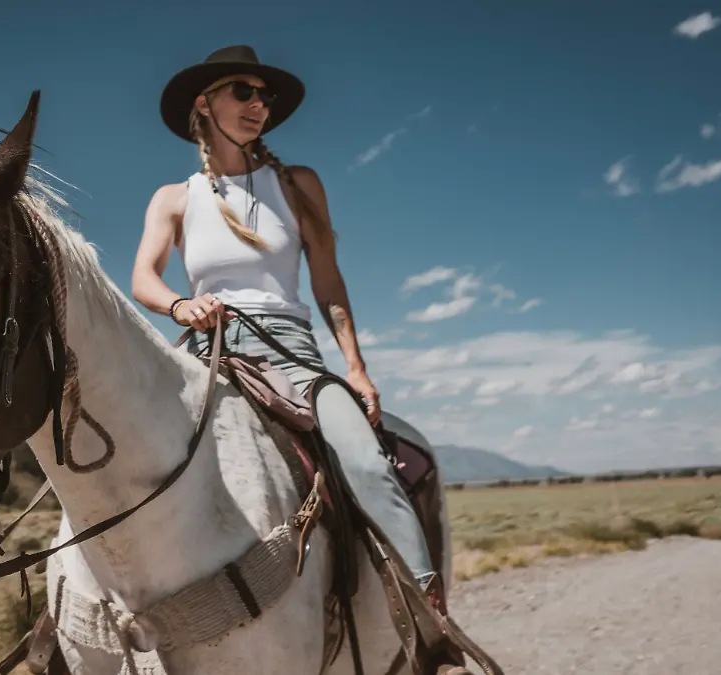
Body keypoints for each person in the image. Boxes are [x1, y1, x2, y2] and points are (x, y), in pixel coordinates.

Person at [131, 45, 472, 674]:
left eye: (265, 96)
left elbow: (329, 284)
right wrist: (180, 305)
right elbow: (143, 280)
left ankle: (429, 624)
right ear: (204, 103)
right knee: (128, 454)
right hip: (209, 354)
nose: (259, 105)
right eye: (243, 91)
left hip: (294, 356)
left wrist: (355, 367)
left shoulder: (296, 185)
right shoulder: (173, 199)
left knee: (367, 463)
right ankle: (78, 619)